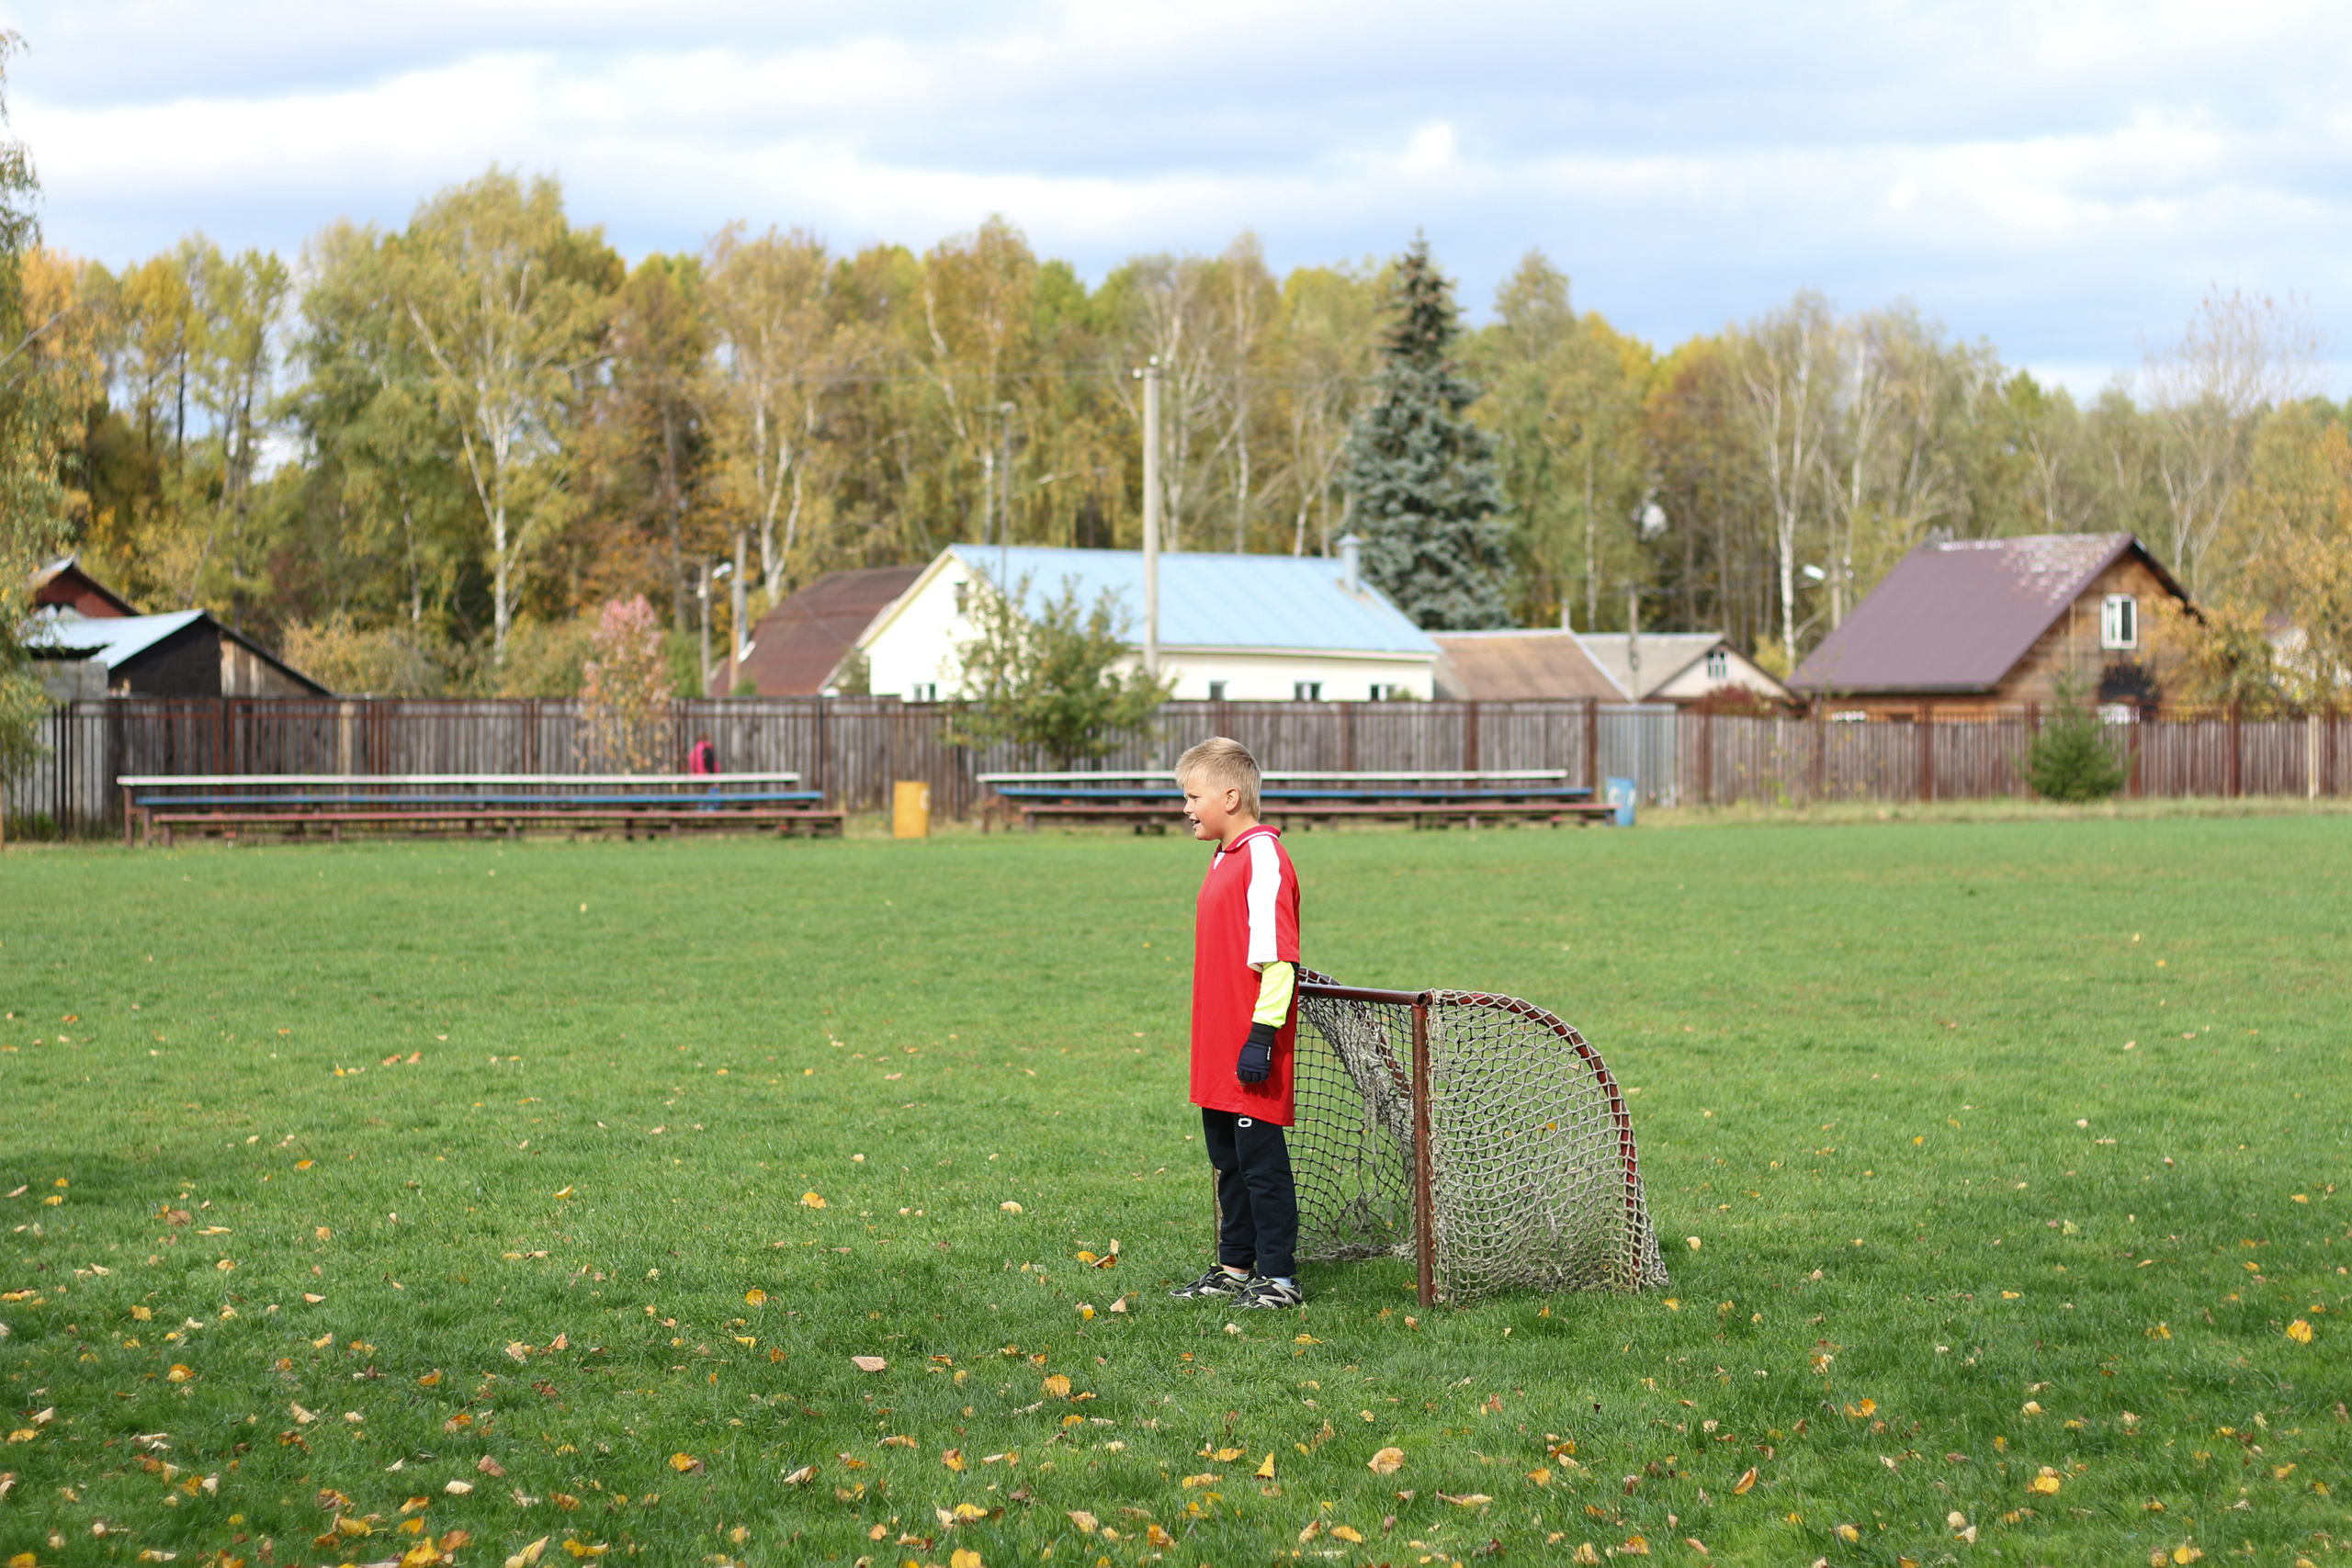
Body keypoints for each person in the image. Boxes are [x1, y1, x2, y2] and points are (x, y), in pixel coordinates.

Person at [1166, 736, 1305, 1311]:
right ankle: (1235, 1266)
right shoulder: (1224, 856)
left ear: (1229, 797)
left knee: (1260, 1166)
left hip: (1251, 1047)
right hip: (1216, 1046)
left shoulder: (1263, 856)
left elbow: (1279, 962)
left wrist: (1261, 1038)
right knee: (1228, 1162)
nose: (1186, 809)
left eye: (1193, 797)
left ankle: (1279, 1278)